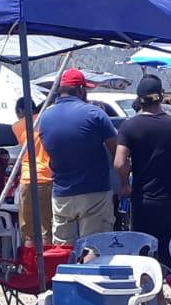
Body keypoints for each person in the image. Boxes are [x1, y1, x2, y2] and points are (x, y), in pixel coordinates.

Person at [115, 76, 171, 267]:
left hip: (142, 197)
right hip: (170, 196)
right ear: (161, 96)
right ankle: (170, 285)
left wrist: (125, 183)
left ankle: (147, 286)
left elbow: (119, 162)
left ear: (139, 99)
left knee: (144, 248)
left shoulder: (129, 126)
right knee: (169, 248)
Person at [37, 69, 117, 243]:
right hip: (94, 191)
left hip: (61, 193)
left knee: (63, 251)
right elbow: (116, 149)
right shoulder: (94, 114)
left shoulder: (44, 118)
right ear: (81, 89)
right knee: (95, 248)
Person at [12, 96, 53, 245]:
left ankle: (29, 266)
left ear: (21, 111)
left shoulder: (17, 126)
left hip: (27, 177)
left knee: (27, 230)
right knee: (46, 227)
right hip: (47, 176)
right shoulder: (47, 120)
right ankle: (48, 264)